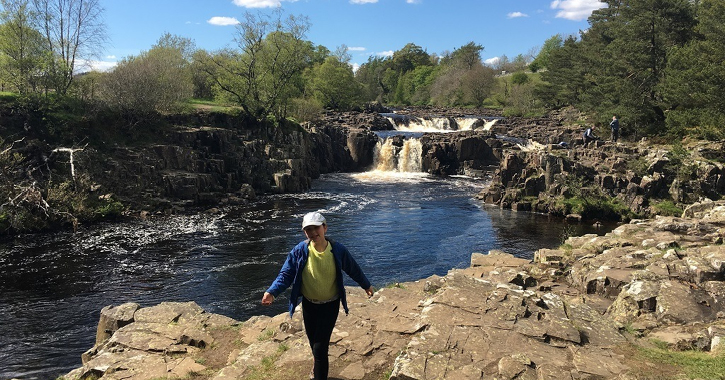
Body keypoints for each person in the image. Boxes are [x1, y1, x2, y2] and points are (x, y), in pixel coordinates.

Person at [261, 211, 374, 380]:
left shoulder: (337, 250)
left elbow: (353, 268)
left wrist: (366, 285)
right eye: (309, 229)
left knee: (320, 348)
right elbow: (286, 274)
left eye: (316, 228)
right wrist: (272, 292)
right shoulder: (300, 250)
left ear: (325, 228)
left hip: (330, 305)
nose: (313, 233)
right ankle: (317, 366)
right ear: (304, 232)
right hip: (309, 305)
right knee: (313, 343)